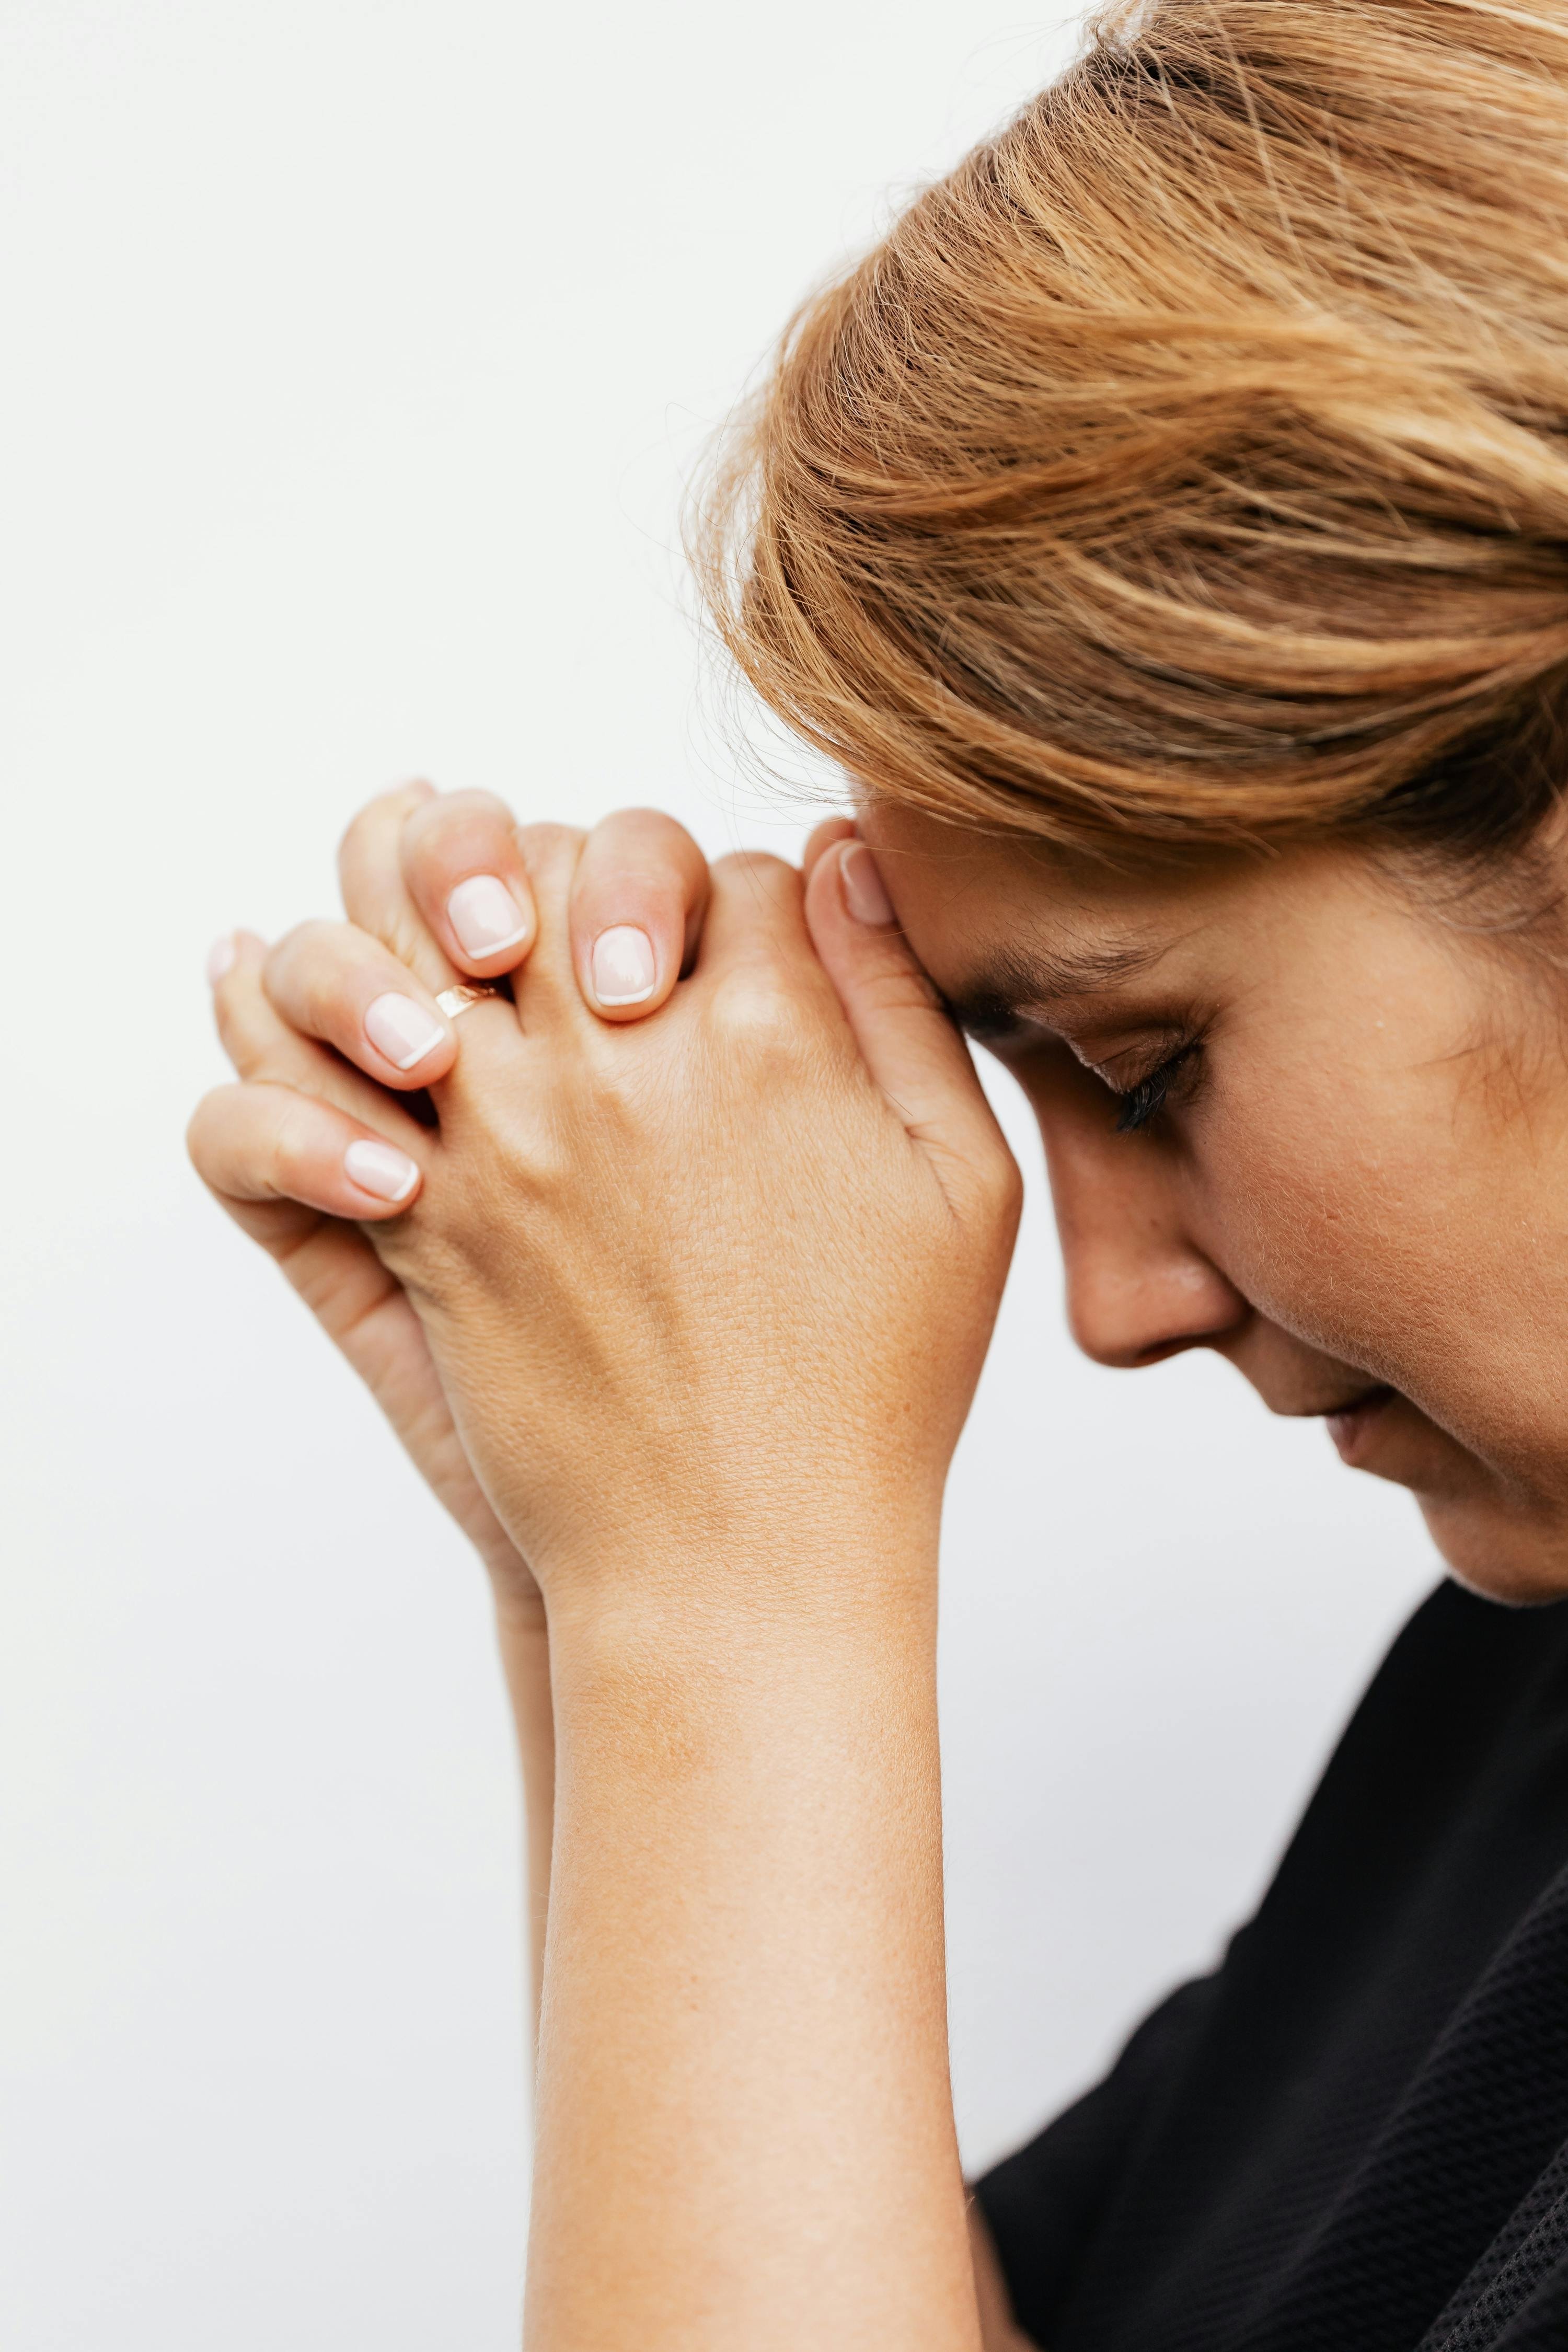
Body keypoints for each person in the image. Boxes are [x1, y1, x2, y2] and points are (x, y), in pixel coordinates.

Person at [187, 3, 1568, 2345]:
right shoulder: (1508, 1712)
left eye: (1146, 1065)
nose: (1110, 1303)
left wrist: (720, 1584)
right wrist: (598, 1549)